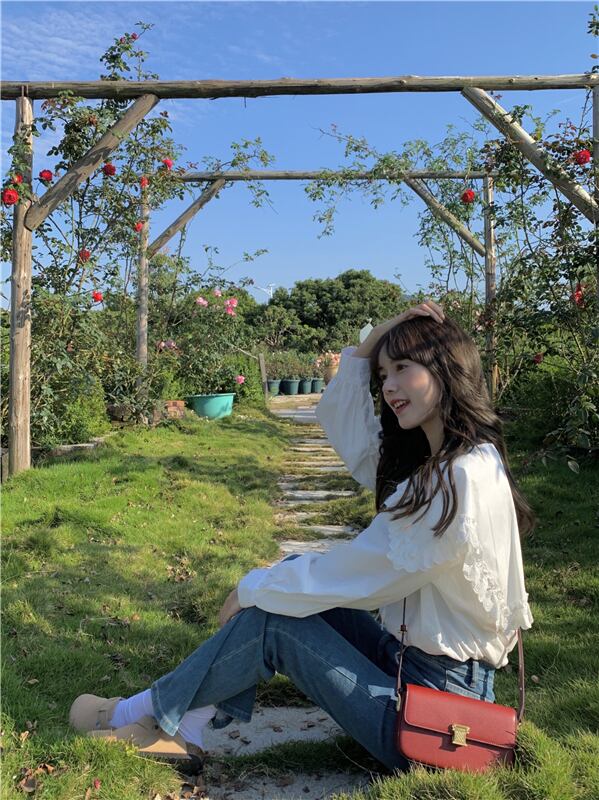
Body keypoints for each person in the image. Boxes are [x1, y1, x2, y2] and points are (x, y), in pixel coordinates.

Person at [69, 299, 535, 772]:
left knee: (276, 618)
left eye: (403, 368)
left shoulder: (459, 477)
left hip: (438, 719)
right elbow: (348, 425)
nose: (389, 386)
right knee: (290, 577)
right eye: (383, 374)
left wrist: (251, 588)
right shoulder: (453, 462)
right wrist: (387, 330)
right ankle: (183, 726)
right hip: (408, 666)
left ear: (446, 367)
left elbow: (364, 571)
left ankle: (138, 713)